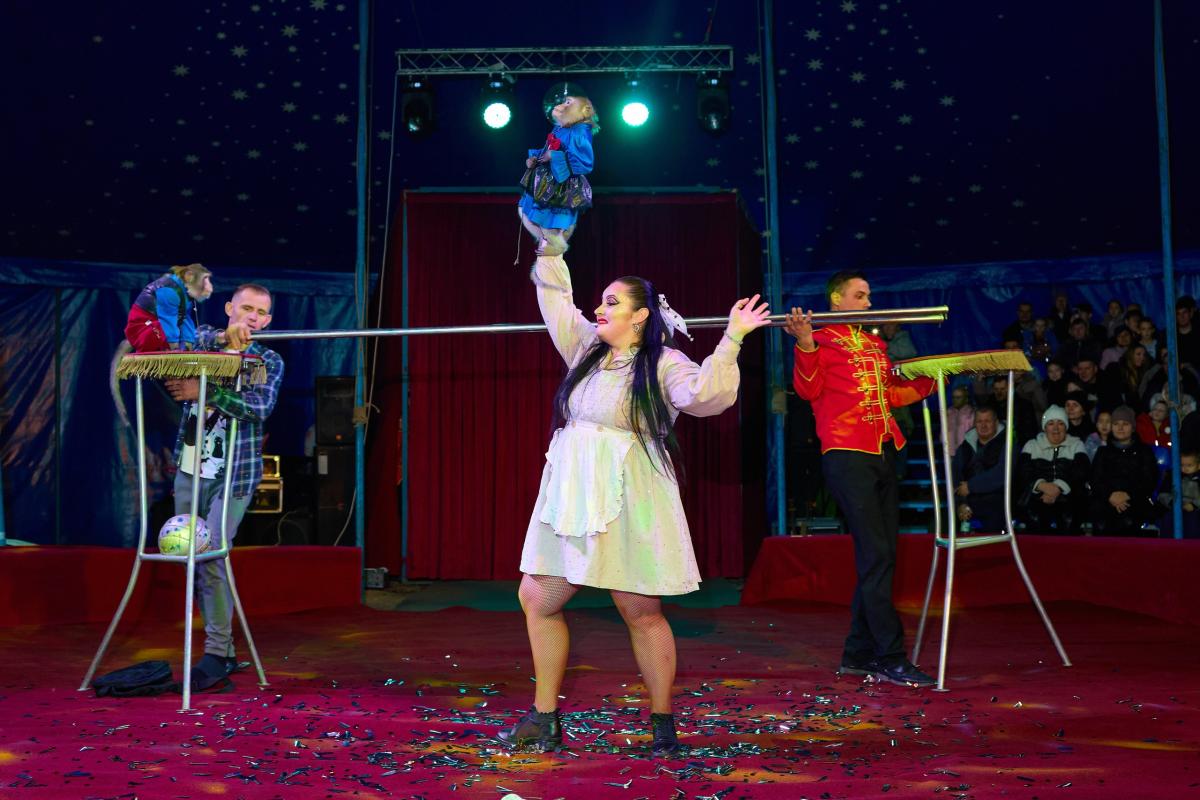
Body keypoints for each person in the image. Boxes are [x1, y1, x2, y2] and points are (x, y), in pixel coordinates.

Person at [499, 254, 770, 756]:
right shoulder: (585, 348)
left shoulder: (665, 363)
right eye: (600, 302)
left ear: (640, 315)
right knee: (537, 598)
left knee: (641, 611)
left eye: (611, 302)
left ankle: (663, 725)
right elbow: (556, 300)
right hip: (573, 493)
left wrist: (732, 338)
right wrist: (550, 249)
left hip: (630, 496)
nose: (598, 310)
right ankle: (544, 717)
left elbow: (706, 396)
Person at [784, 271, 937, 687]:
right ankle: (891, 656)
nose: (869, 302)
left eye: (869, 295)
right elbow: (807, 390)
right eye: (860, 295)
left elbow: (892, 394)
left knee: (883, 555)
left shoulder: (873, 344)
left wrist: (936, 377)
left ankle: (857, 654)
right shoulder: (820, 339)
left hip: (885, 450)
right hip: (847, 455)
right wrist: (805, 344)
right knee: (876, 555)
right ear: (837, 299)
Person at [164, 283, 282, 692]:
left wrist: (206, 391)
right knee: (193, 557)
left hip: (236, 474)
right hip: (191, 469)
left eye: (261, 312)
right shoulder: (204, 342)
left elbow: (259, 408)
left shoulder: (268, 359)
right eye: (246, 308)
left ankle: (215, 653)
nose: (253, 317)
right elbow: (185, 341)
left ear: (268, 320)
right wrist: (221, 342)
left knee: (212, 551)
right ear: (230, 308)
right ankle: (225, 649)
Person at [518, 94, 599, 257]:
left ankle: (557, 244)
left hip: (563, 185)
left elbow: (584, 162)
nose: (561, 105)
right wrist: (535, 158)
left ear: (584, 111)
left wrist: (554, 156)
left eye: (568, 102)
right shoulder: (560, 128)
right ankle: (549, 241)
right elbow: (549, 149)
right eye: (564, 101)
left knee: (551, 219)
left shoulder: (579, 132)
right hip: (547, 181)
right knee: (524, 209)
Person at [1016, 405, 1089, 533]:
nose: (1055, 428)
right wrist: (1042, 485)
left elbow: (1081, 472)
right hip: (1037, 497)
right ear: (1045, 428)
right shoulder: (1032, 445)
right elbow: (1023, 472)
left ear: (1066, 427)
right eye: (1050, 423)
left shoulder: (1077, 445)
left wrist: (1058, 487)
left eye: (1060, 423)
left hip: (1068, 497)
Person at [1089, 406, 1159, 536]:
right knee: (1101, 520)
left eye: (1125, 424)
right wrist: (1110, 495)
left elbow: (1149, 480)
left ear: (1133, 427)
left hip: (1136, 501)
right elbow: (1095, 479)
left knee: (1130, 521)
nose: (1120, 428)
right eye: (1116, 424)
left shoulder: (1144, 452)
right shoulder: (1103, 452)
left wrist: (1128, 495)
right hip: (1106, 501)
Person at [952, 406, 1010, 532]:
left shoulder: (1007, 444)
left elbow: (1002, 474)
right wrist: (960, 504)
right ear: (974, 424)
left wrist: (970, 486)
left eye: (987, 421)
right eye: (979, 421)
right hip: (968, 502)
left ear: (996, 423)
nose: (983, 425)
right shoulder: (964, 447)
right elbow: (955, 477)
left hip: (998, 503)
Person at [1157, 451, 1200, 538]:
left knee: (1193, 523)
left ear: (1198, 465)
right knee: (1168, 520)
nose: (1185, 468)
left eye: (1189, 465)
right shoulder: (1172, 476)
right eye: (1181, 465)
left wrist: (1194, 505)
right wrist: (1173, 503)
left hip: (1195, 510)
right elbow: (1163, 494)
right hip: (1174, 508)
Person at [945, 385, 976, 455]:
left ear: (966, 399)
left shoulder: (971, 412)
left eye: (958, 397)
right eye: (953, 397)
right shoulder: (949, 412)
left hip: (967, 451)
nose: (955, 400)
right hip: (950, 451)